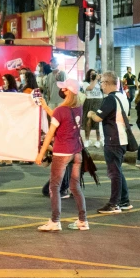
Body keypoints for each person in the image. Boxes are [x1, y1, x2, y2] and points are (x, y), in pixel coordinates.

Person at [35, 79, 88, 231]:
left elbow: (51, 132)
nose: (61, 91)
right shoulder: (78, 107)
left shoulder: (61, 110)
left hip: (62, 151)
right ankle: (83, 220)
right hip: (76, 151)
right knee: (75, 186)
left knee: (54, 187)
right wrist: (46, 107)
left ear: (67, 91)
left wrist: (41, 154)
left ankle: (55, 221)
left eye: (63, 89)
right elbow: (62, 119)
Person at [87, 71, 132, 214]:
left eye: (101, 83)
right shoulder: (123, 97)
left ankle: (114, 204)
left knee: (114, 173)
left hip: (113, 139)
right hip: (122, 139)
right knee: (118, 170)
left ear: (107, 83)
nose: (101, 86)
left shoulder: (110, 99)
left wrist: (90, 114)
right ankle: (124, 201)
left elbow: (98, 118)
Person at [82, 69, 103, 148]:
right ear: (88, 75)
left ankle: (98, 140)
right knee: (88, 122)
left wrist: (101, 80)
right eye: (91, 74)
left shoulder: (98, 82)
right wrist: (95, 80)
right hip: (89, 102)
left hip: (99, 102)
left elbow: (103, 89)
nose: (93, 75)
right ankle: (87, 140)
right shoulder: (85, 83)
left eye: (94, 73)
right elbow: (90, 88)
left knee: (98, 122)